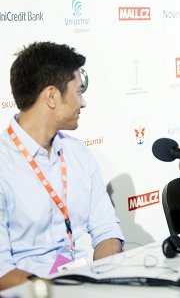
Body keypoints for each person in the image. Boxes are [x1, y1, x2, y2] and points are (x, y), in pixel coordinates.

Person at [0, 42, 125, 290]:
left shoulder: (78, 154)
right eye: (78, 92)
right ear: (52, 96)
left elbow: (108, 232)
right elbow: (2, 273)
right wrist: (61, 291)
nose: (84, 102)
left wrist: (100, 283)